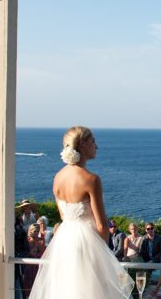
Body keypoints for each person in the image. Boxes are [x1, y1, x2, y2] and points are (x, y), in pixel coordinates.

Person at [29, 126, 134, 298]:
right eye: (93, 141)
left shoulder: (58, 178)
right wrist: (103, 257)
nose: (96, 146)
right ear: (83, 144)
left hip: (64, 243)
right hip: (87, 246)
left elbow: (64, 216)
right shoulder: (91, 179)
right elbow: (102, 226)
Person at [22, 223, 45, 298]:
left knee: (38, 283)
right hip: (29, 266)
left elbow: (42, 251)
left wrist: (37, 241)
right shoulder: (27, 240)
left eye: (37, 231)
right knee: (29, 284)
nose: (36, 233)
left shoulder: (40, 240)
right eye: (35, 231)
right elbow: (30, 252)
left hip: (37, 265)